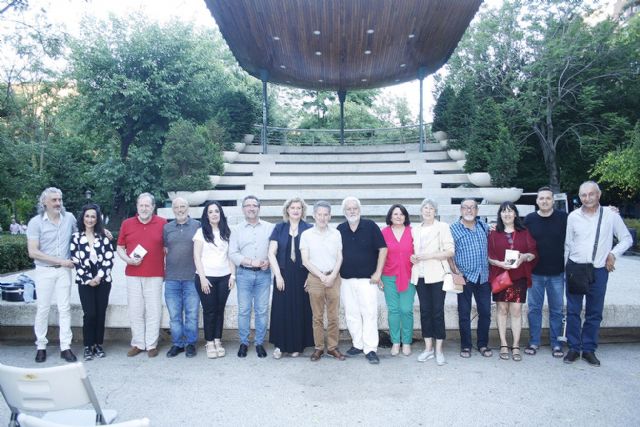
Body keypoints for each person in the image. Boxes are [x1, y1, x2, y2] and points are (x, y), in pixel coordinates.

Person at [564, 181, 632, 366]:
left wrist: (613, 254)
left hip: (599, 269)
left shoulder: (610, 216)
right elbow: (568, 245)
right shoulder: (573, 217)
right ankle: (573, 347)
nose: (587, 198)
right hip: (576, 268)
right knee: (573, 311)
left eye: (591, 194)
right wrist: (566, 269)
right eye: (583, 195)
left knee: (594, 312)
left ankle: (588, 349)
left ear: (598, 195)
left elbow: (626, 238)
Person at [27, 187, 78, 363]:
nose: (58, 203)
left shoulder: (69, 218)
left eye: (60, 199)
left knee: (64, 309)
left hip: (64, 272)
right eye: (54, 200)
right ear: (44, 203)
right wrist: (60, 261)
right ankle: (41, 346)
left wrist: (103, 233)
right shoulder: (36, 222)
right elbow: (33, 252)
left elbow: (83, 234)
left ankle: (66, 347)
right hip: (44, 271)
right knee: (43, 309)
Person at [337, 197, 387, 364]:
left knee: (369, 314)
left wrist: (378, 273)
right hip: (346, 280)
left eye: (355, 208)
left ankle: (370, 348)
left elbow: (383, 249)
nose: (352, 211)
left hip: (368, 280)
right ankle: (357, 344)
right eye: (349, 209)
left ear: (360, 210)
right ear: (344, 212)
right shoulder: (340, 229)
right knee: (351, 314)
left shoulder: (370, 226)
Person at [117, 192, 167, 358]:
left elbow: (167, 247)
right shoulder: (127, 224)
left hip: (155, 273)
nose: (144, 208)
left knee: (154, 310)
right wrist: (128, 260)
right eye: (141, 205)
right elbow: (120, 247)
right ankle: (138, 343)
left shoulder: (162, 223)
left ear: (153, 207)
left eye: (147, 205)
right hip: (133, 273)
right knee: (135, 310)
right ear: (137, 207)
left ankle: (151, 344)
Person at [488, 202, 537, 362]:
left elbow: (533, 253)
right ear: (500, 215)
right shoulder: (494, 233)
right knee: (501, 309)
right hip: (500, 276)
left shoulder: (524, 232)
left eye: (510, 211)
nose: (507, 214)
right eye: (503, 211)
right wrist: (499, 263)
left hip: (519, 276)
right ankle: (503, 343)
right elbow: (489, 256)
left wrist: (524, 257)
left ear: (515, 214)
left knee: (516, 310)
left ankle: (515, 345)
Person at [268, 197, 314, 358]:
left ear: (303, 211)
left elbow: (313, 255)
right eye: (293, 207)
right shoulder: (279, 228)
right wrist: (278, 276)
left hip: (302, 274)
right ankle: (280, 346)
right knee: (282, 310)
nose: (295, 210)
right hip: (283, 274)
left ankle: (297, 346)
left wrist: (311, 276)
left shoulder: (309, 228)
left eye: (299, 208)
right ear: (287, 210)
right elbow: (271, 253)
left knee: (300, 309)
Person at [524, 187, 567, 358]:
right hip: (535, 273)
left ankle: (556, 343)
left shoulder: (564, 218)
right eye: (541, 198)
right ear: (537, 201)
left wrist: (609, 210)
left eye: (548, 198)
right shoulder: (530, 219)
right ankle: (534, 341)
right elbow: (516, 235)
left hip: (557, 273)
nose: (544, 201)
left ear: (553, 200)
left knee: (557, 310)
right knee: (534, 309)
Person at [410, 199, 454, 366]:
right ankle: (428, 348)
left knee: (437, 311)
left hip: (437, 275)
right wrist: (412, 257)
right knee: (425, 311)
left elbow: (450, 251)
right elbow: (413, 252)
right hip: (420, 275)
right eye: (425, 208)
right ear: (421, 211)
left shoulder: (442, 227)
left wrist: (428, 256)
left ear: (435, 211)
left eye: (431, 208)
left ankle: (439, 350)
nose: (428, 211)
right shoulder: (415, 229)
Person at [300, 200, 345, 362]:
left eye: (326, 214)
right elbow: (305, 260)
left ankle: (332, 348)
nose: (323, 217)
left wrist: (332, 275)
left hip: (334, 277)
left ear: (330, 216)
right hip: (315, 278)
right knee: (317, 317)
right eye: (319, 214)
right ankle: (318, 348)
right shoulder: (306, 235)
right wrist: (321, 276)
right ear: (314, 215)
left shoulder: (336, 234)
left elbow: (340, 256)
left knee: (333, 316)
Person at [229, 195, 273, 358]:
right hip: (244, 274)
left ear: (259, 208)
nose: (251, 208)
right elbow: (232, 253)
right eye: (248, 205)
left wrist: (268, 261)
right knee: (244, 310)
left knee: (262, 310)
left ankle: (260, 343)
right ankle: (244, 342)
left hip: (264, 274)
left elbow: (275, 249)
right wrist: (251, 262)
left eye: (254, 205)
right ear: (243, 209)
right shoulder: (236, 229)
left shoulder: (270, 228)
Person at [70, 203, 114, 361]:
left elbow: (109, 259)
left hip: (103, 279)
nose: (90, 219)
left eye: (93, 217)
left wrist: (99, 276)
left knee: (101, 313)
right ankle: (88, 345)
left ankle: (98, 344)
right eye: (87, 216)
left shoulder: (104, 236)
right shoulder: (76, 237)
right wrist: (88, 279)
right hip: (84, 281)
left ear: (97, 219)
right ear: (83, 218)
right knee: (90, 314)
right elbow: (75, 260)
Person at [450, 198, 493, 359]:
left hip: (483, 277)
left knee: (485, 312)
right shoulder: (453, 229)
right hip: (465, 277)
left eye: (472, 208)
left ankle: (483, 344)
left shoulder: (484, 226)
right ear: (461, 210)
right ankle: (466, 345)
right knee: (464, 313)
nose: (469, 210)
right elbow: (449, 254)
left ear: (477, 210)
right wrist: (456, 272)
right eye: (466, 208)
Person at [193, 200, 236, 359]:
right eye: (210, 212)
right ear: (206, 215)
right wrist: (203, 278)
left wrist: (233, 275)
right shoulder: (200, 232)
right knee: (209, 311)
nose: (214, 214)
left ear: (220, 214)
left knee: (219, 310)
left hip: (224, 277)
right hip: (206, 278)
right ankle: (209, 341)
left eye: (216, 211)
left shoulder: (227, 232)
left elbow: (230, 256)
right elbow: (196, 257)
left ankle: (218, 340)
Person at [163, 197, 201, 358]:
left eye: (183, 206)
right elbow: (163, 249)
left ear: (188, 208)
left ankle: (191, 344)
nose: (180, 209)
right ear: (173, 209)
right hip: (171, 278)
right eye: (177, 207)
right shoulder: (167, 228)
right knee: (175, 315)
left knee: (192, 313)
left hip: (192, 278)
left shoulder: (197, 226)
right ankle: (178, 344)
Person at [380, 204, 415, 357]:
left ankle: (406, 342)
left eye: (401, 214)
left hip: (408, 276)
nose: (398, 216)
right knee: (393, 310)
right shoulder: (384, 232)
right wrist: (379, 276)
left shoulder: (413, 232)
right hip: (389, 276)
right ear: (390, 216)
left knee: (406, 310)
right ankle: (395, 342)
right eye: (395, 214)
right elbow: (379, 255)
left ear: (406, 217)